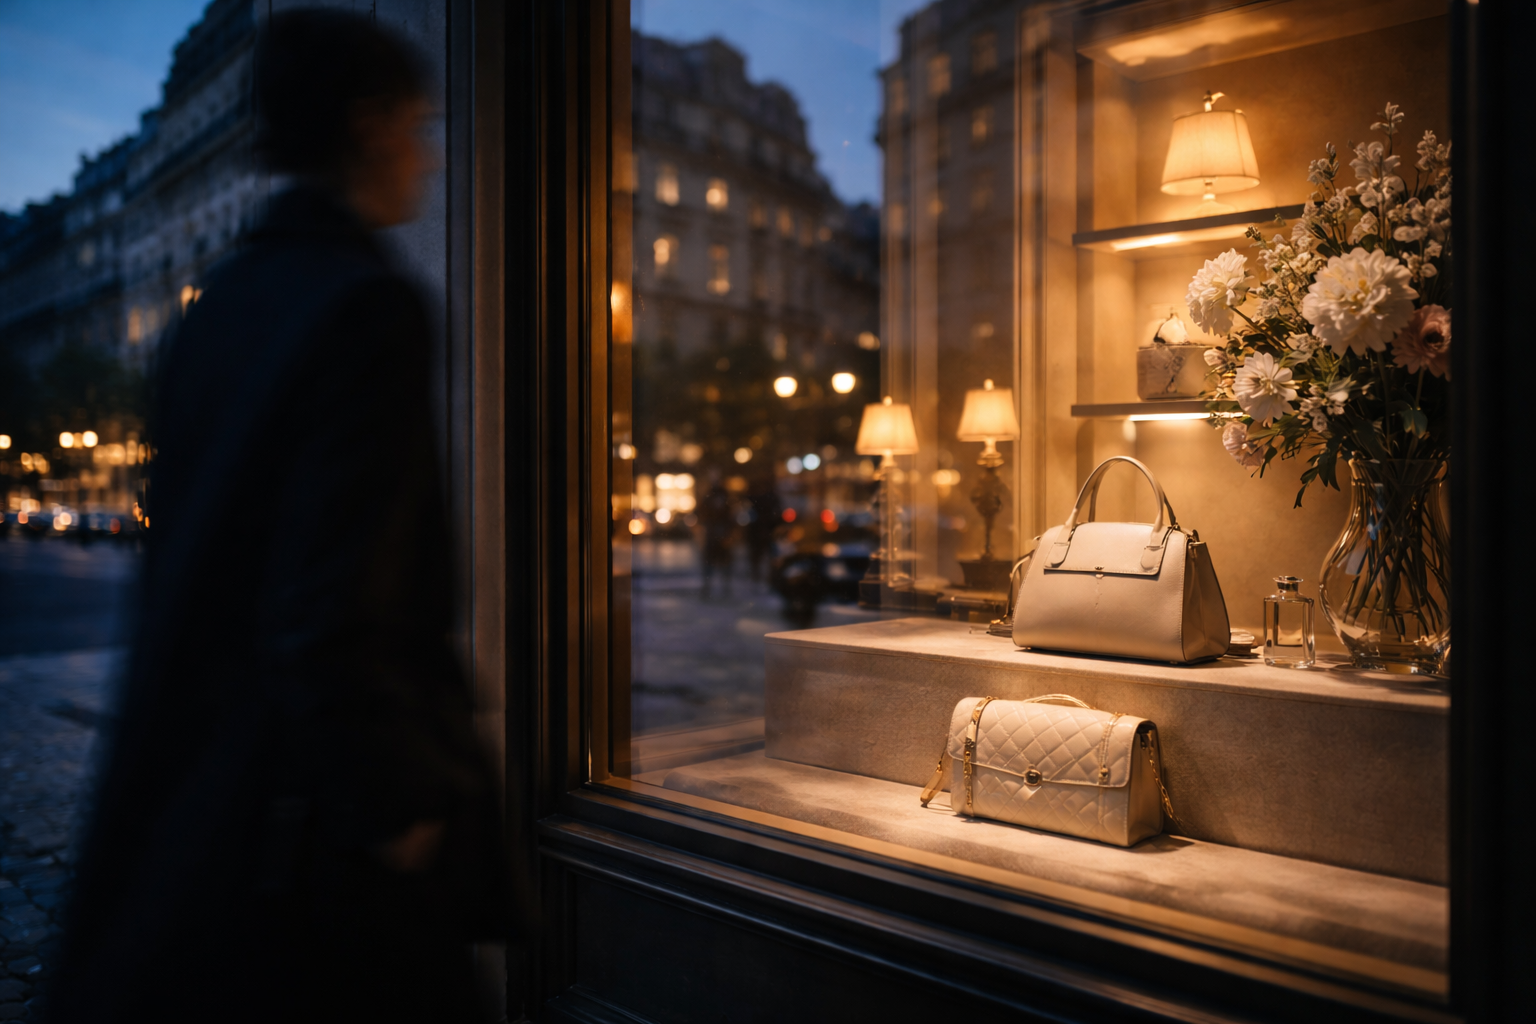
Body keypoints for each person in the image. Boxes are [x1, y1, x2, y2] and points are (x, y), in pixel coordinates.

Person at [50, 13, 513, 1022]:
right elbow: (335, 601)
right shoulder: (363, 305)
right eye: (417, 125)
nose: (428, 159)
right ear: (367, 125)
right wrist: (404, 811)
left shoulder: (213, 304)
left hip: (204, 801)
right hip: (321, 828)